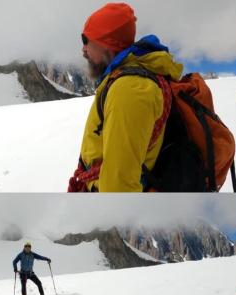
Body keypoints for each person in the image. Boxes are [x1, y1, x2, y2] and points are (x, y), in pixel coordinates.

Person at [68, 2, 184, 192]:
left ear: (107, 44)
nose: (83, 49)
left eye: (86, 40)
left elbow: (119, 184)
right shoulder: (123, 81)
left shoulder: (129, 89)